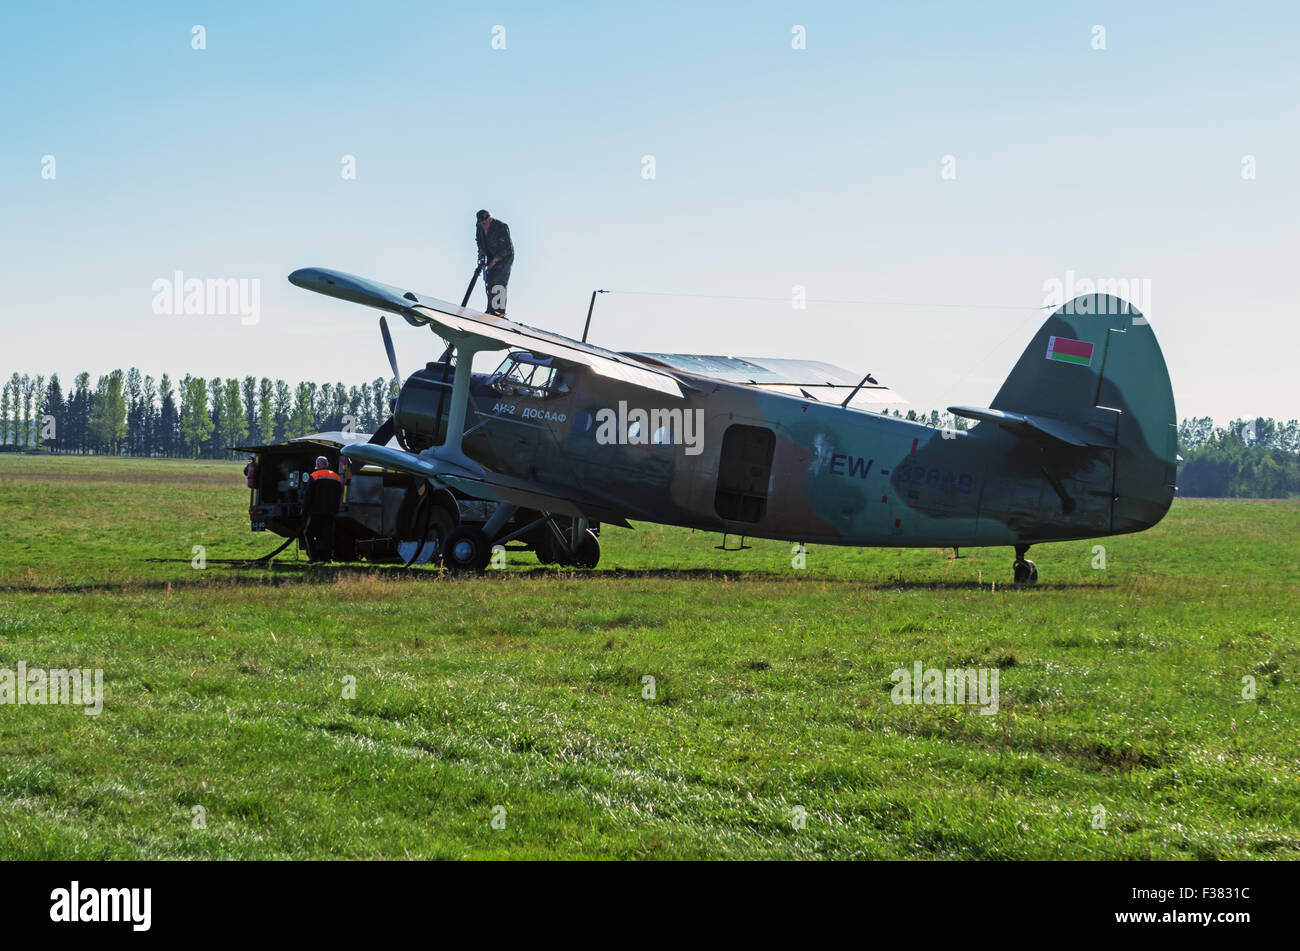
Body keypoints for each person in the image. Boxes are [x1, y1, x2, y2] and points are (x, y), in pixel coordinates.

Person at [301, 455, 344, 562]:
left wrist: (304, 510)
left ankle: (313, 557)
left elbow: (308, 495)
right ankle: (328, 558)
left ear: (318, 465)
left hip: (316, 511)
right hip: (330, 512)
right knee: (327, 535)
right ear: (327, 465)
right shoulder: (336, 477)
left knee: (308, 533)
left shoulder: (314, 476)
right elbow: (340, 494)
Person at [475, 209, 514, 316]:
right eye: (481, 224)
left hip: (504, 257)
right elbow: (479, 240)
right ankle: (490, 310)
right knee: (489, 281)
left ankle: (499, 311)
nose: (483, 226)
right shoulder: (480, 227)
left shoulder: (501, 227)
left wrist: (493, 262)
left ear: (490, 220)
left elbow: (506, 248)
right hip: (491, 254)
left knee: (499, 282)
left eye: (484, 223)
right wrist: (481, 254)